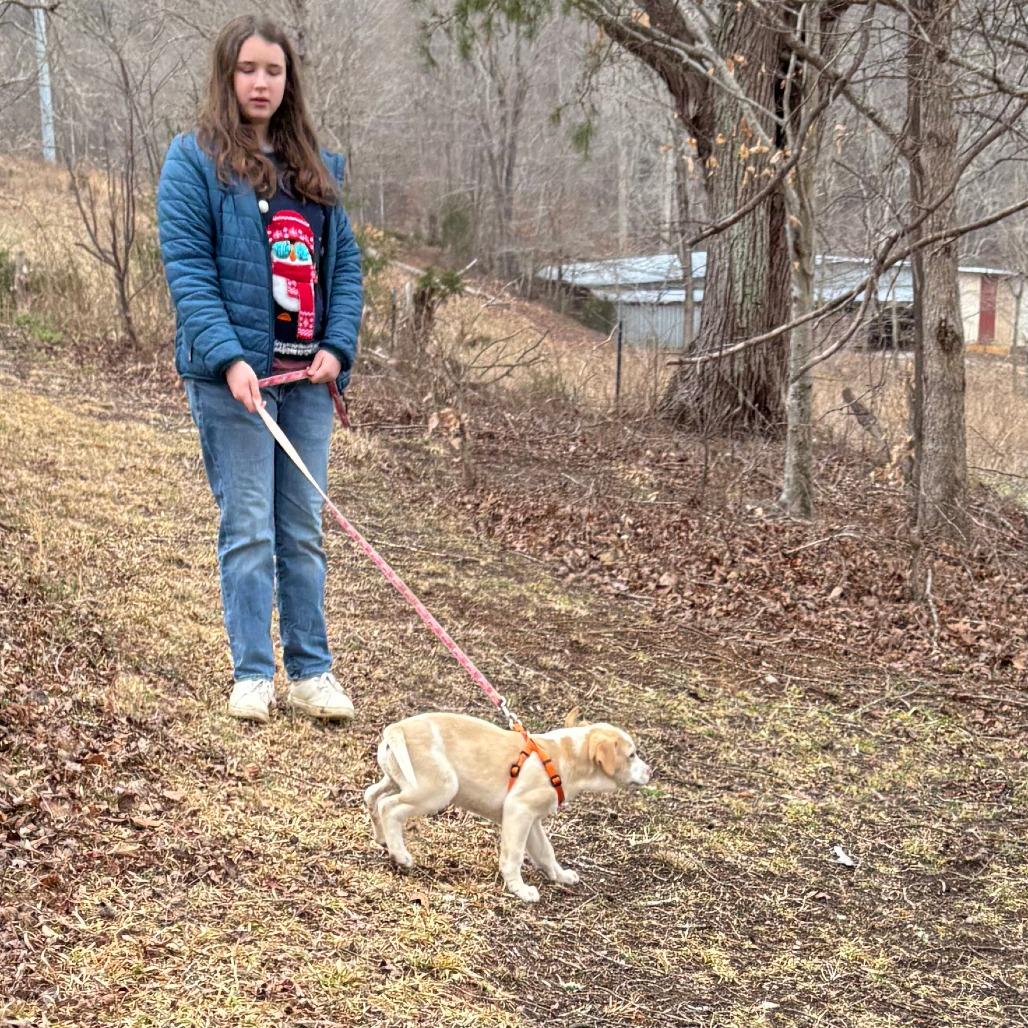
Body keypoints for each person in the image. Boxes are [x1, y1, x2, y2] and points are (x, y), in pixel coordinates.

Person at [157, 15, 363, 724]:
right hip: (234, 383)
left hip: (307, 381)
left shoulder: (319, 167)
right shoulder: (193, 161)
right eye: (248, 69)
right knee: (247, 524)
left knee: (301, 525)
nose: (261, 82)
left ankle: (311, 673)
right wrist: (229, 359)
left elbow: (347, 271)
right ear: (228, 75)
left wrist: (338, 348)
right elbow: (187, 270)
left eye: (273, 70)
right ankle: (253, 673)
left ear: (288, 80)